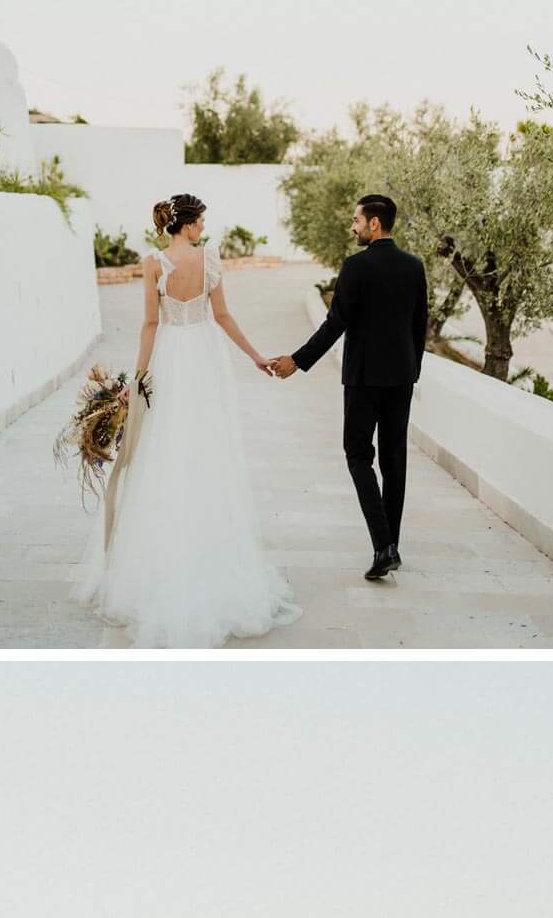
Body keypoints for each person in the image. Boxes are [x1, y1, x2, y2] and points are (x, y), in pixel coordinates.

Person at [79, 194, 300, 646]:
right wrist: (255, 356)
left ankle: (162, 561)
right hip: (203, 359)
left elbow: (149, 325)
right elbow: (222, 316)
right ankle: (211, 555)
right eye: (201, 222)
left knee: (165, 453)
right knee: (207, 451)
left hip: (170, 359)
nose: (203, 229)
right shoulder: (209, 260)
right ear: (189, 224)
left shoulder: (153, 262)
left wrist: (138, 376)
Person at [267, 193, 428, 581]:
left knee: (358, 455)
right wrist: (412, 370)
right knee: (394, 461)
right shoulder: (414, 267)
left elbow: (334, 324)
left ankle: (383, 544)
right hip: (401, 378)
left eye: (356, 220)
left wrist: (298, 360)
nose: (352, 226)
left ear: (374, 224)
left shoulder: (355, 268)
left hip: (362, 379)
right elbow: (419, 326)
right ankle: (391, 544)